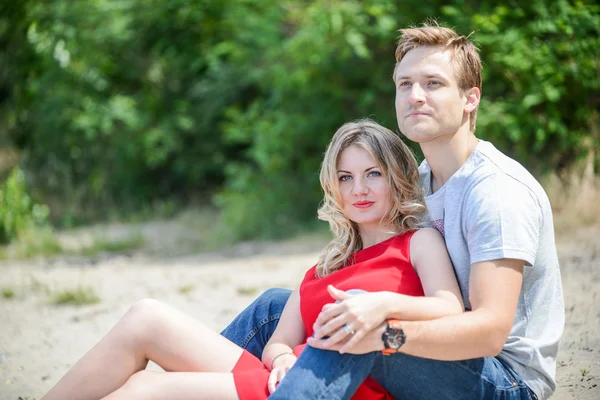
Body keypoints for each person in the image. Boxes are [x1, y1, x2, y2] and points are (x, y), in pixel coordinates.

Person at [221, 23, 565, 400]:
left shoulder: (496, 193)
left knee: (357, 334)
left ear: (470, 99)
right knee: (278, 307)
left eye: (433, 83)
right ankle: (203, 385)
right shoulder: (418, 182)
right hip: (434, 346)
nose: (415, 96)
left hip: (504, 378)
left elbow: (490, 332)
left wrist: (383, 327)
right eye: (405, 84)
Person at [41, 119, 464, 400]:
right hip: (285, 377)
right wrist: (280, 359)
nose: (360, 189)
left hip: (336, 387)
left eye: (373, 174)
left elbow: (450, 309)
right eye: (346, 177)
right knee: (145, 319)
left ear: (396, 177)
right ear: (333, 188)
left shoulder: (418, 242)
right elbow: (280, 339)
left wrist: (382, 306)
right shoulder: (330, 261)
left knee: (146, 391)